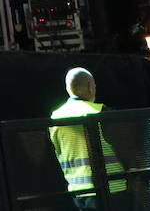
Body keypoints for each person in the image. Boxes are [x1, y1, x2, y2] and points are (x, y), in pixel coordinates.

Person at [48, 67, 130, 209]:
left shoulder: (55, 117)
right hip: (111, 188)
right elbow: (125, 147)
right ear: (90, 87)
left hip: (79, 191)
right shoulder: (99, 112)